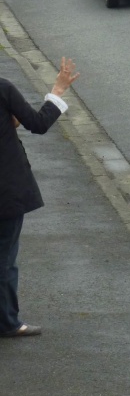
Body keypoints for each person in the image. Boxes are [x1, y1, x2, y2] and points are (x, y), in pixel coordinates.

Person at [0, 58, 80, 338]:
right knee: (5, 259)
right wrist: (57, 90)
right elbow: (37, 123)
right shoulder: (2, 88)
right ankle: (7, 322)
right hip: (5, 192)